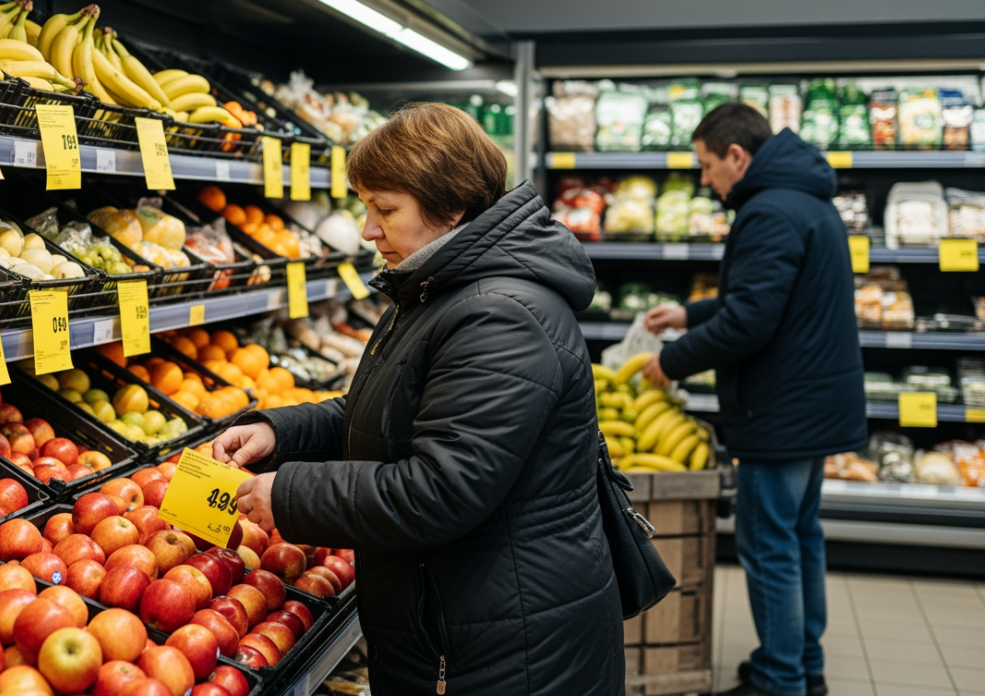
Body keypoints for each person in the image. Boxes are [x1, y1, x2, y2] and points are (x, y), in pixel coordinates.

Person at [213, 102, 625, 695]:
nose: (368, 229)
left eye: (386, 210)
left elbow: (442, 489)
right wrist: (282, 432)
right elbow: (395, 411)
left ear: (451, 207)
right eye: (366, 208)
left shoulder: (500, 315)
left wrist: (290, 492)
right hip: (461, 621)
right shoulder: (440, 288)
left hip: (502, 647)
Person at [641, 103, 866, 696]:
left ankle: (778, 680)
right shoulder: (803, 200)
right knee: (799, 537)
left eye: (707, 165)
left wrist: (670, 360)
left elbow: (750, 323)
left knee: (769, 547)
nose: (704, 179)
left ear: (737, 156)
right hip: (813, 405)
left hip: (781, 411)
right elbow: (768, 301)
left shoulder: (767, 211)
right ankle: (802, 664)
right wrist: (689, 313)